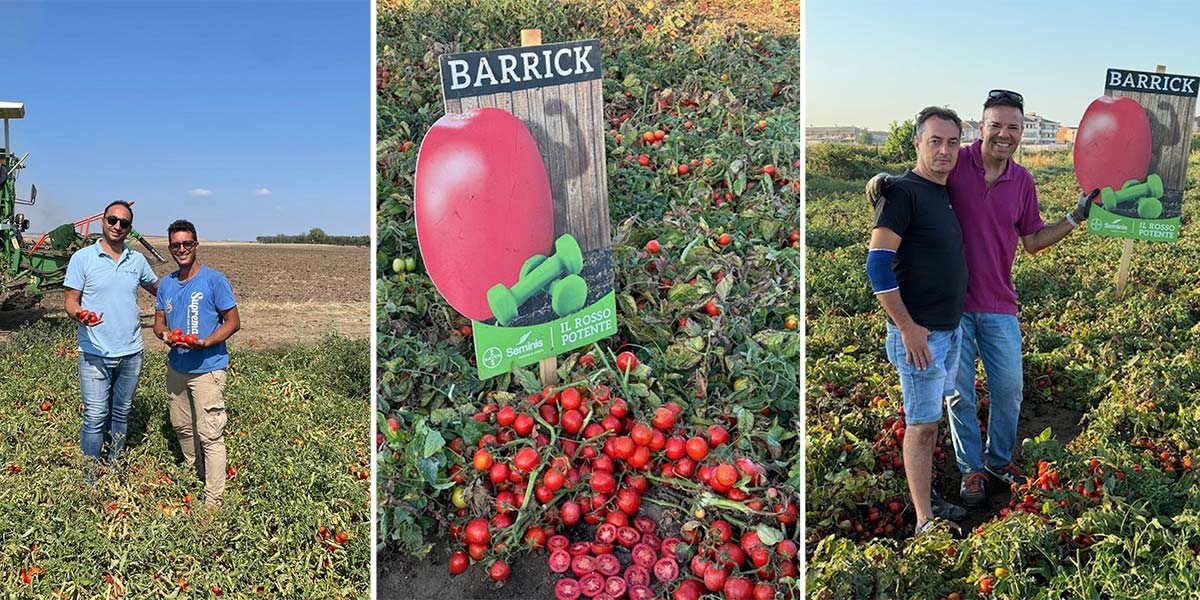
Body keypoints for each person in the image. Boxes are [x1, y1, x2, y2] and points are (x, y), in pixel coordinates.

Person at [868, 90, 1095, 508]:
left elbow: (1032, 240)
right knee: (959, 395)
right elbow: (920, 177)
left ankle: (997, 460)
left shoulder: (1022, 181)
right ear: (982, 127)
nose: (1004, 134)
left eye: (1013, 127)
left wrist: (1075, 217)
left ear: (1022, 132)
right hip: (949, 311)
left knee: (1009, 388)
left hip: (998, 302)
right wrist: (886, 181)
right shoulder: (957, 163)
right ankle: (970, 469)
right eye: (996, 125)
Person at [867, 106, 968, 534]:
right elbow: (877, 265)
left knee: (931, 419)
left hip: (948, 329)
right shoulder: (903, 193)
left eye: (952, 142)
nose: (944, 150)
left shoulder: (942, 190)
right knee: (922, 425)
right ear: (917, 143)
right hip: (921, 335)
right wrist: (908, 328)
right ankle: (924, 519)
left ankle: (928, 496)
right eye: (934, 141)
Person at [64, 201, 159, 477]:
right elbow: (71, 301)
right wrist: (80, 314)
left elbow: (158, 289)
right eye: (112, 220)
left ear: (129, 228)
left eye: (124, 223)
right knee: (95, 417)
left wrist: (188, 291)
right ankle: (90, 476)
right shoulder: (82, 259)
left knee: (120, 414)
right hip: (94, 353)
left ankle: (115, 467)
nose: (117, 226)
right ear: (103, 222)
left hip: (131, 353)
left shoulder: (136, 260)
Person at [153, 219, 240, 506]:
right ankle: (195, 471)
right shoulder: (165, 284)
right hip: (177, 367)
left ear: (196, 245)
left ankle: (213, 502)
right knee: (182, 427)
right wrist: (165, 335)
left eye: (187, 243)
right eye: (176, 245)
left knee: (210, 434)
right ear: (170, 248)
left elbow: (233, 322)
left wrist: (206, 342)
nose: (182, 249)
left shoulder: (214, 280)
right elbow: (158, 323)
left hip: (208, 368)